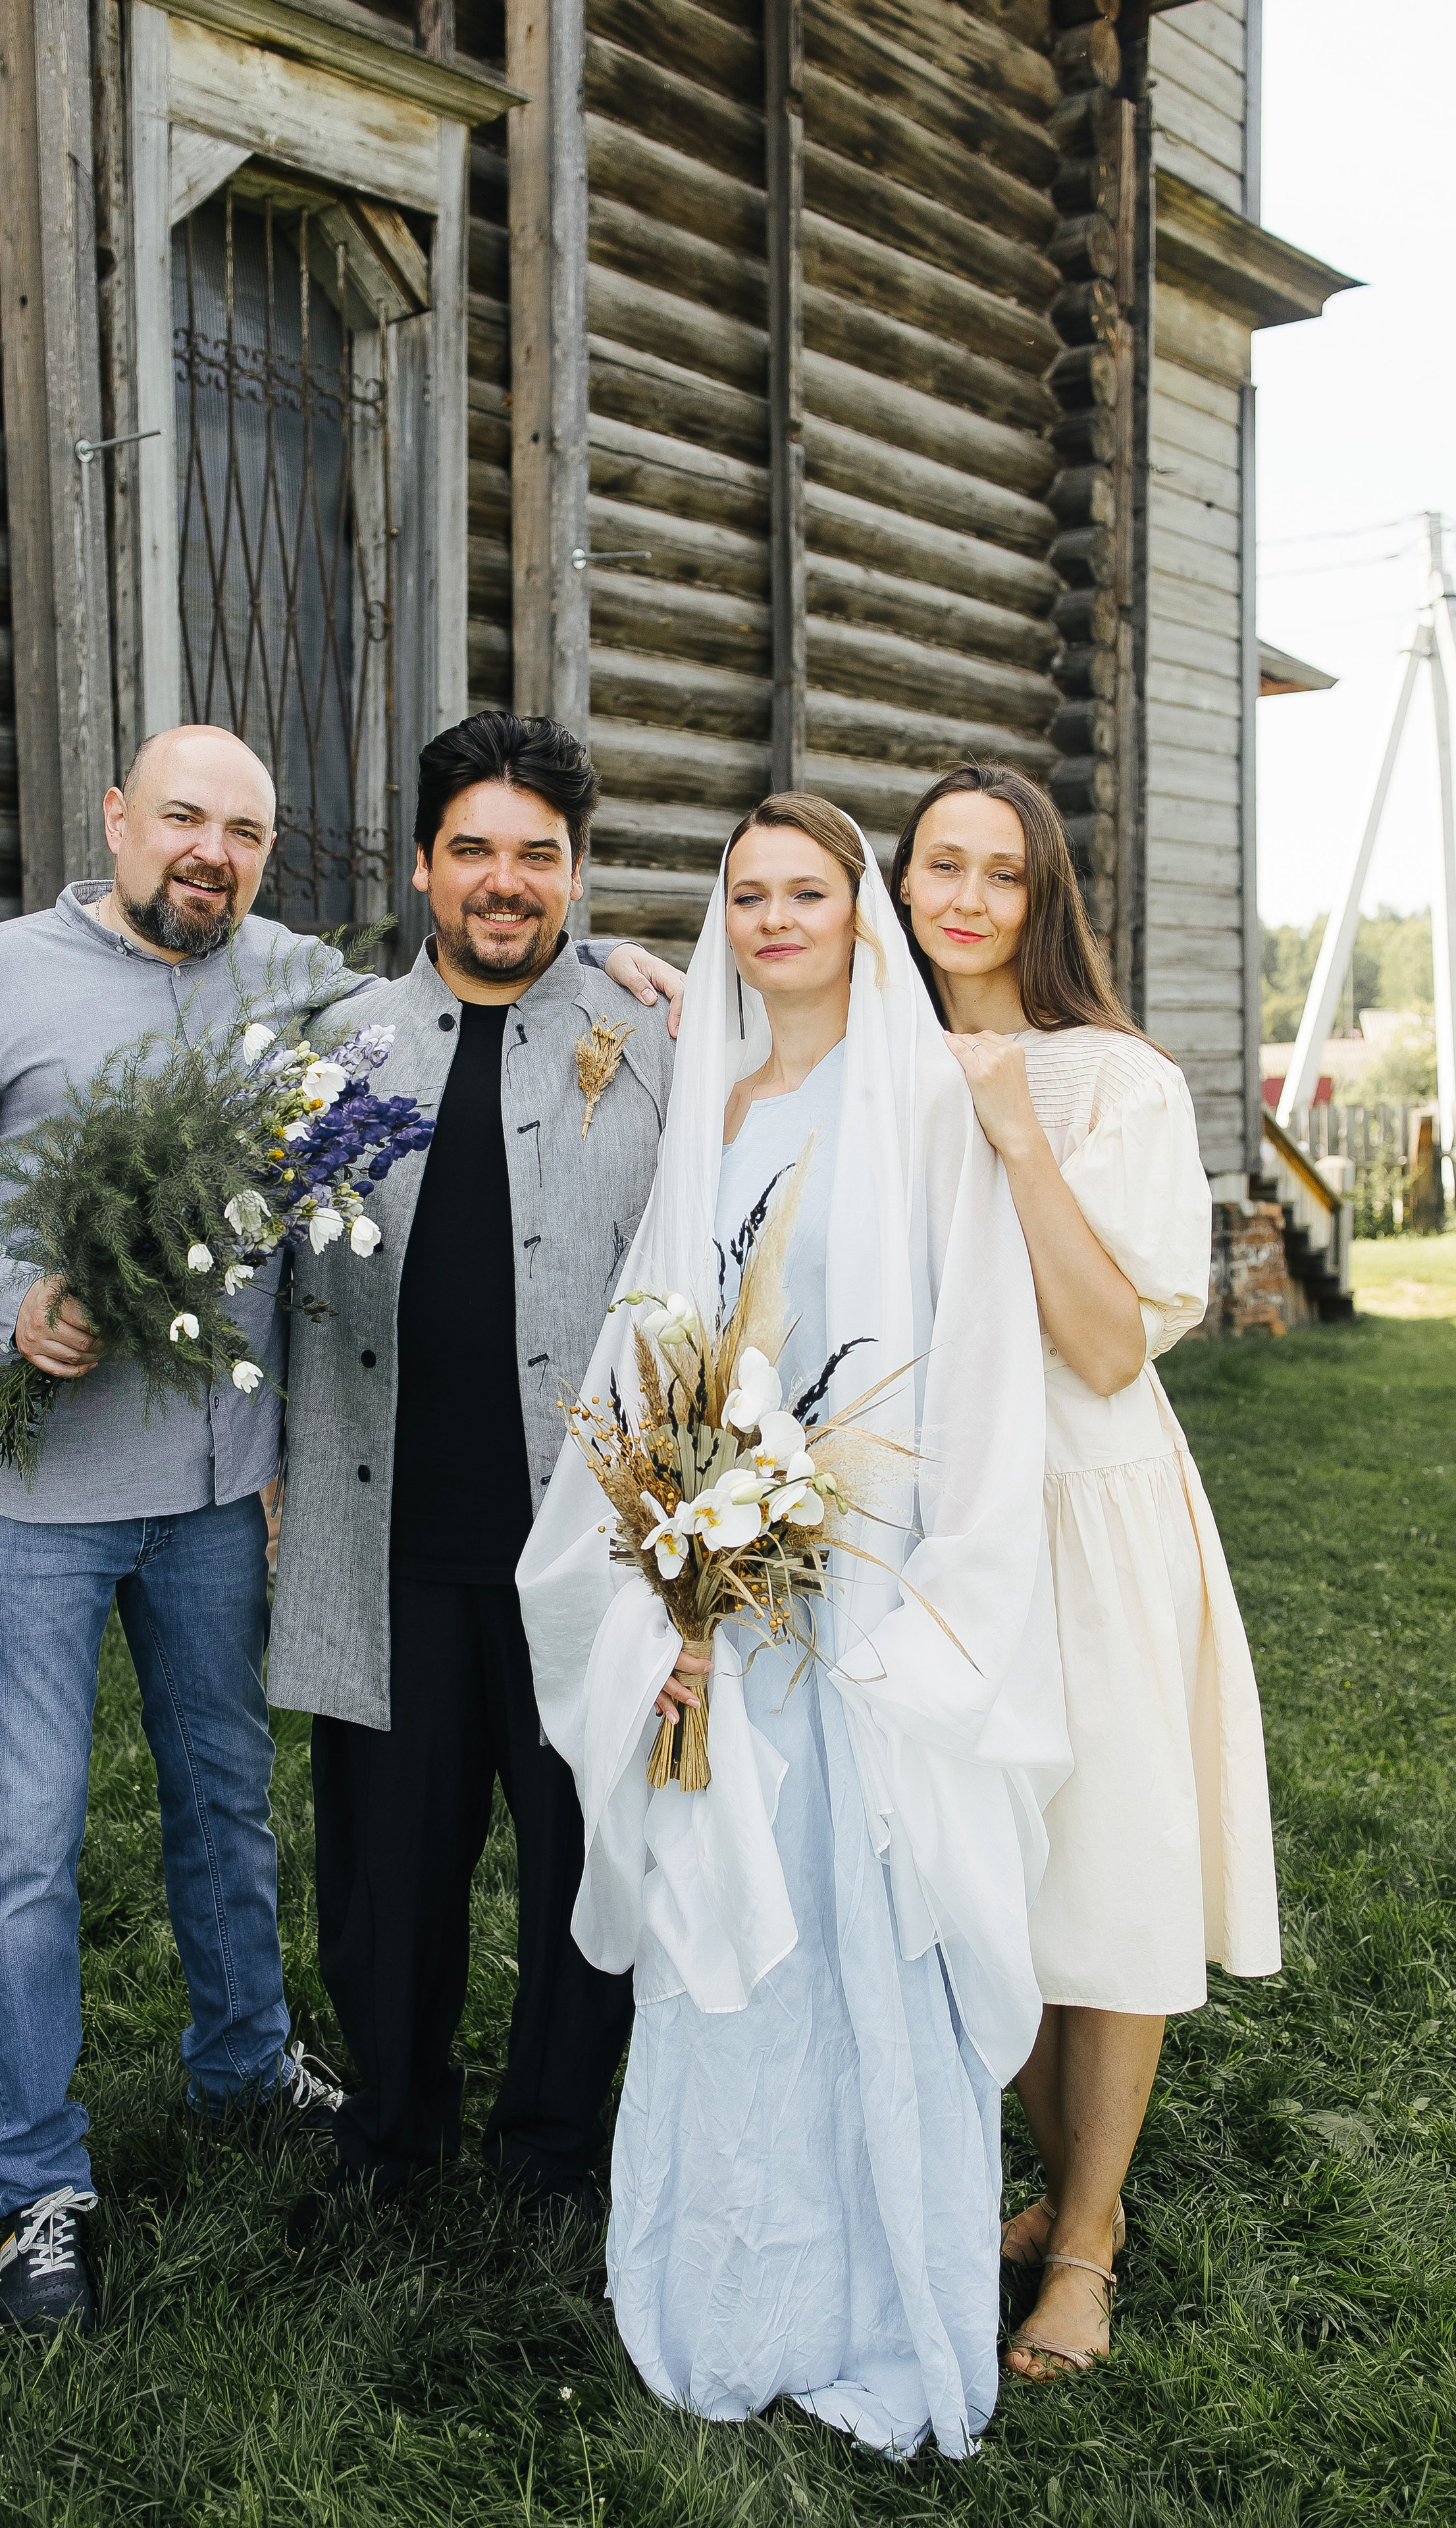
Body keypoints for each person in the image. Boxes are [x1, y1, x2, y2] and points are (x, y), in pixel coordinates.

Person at [0, 722, 677, 2336]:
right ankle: (39, 2177)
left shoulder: (289, 983)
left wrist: (633, 961)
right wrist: (8, 1299)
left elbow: (506, 950)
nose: (205, 852)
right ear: (114, 818)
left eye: (240, 829)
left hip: (221, 1501)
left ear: (271, 857)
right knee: (29, 1849)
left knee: (232, 1823)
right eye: (178, 819)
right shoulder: (0, 981)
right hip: (41, 1502)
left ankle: (251, 2070)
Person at [517, 795, 1072, 2460]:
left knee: (861, 1926)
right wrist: (663, 1577)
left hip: (871, 1588)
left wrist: (927, 1594)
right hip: (726, 1598)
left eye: (804, 892)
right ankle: (732, 2292)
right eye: (745, 895)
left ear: (860, 911)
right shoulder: (718, 1090)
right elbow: (659, 1337)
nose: (771, 919)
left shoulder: (916, 1100)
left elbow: (970, 1346)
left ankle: (880, 2303)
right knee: (730, 1942)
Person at [267, 710, 682, 2230]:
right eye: (474, 851)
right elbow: (287, 1271)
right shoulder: (340, 1046)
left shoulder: (652, 1045)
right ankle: (388, 2136)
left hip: (586, 1545)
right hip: (388, 1536)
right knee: (387, 1871)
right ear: (425, 864)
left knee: (586, 1855)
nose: (503, 883)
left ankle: (553, 2149)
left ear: (575, 872)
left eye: (537, 855)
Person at [893, 760, 1281, 2381]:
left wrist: (1012, 1135)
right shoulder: (865, 1063)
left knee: (1104, 1875)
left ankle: (1087, 2237)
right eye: (939, 866)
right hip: (935, 1520)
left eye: (1001, 872)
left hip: (1089, 1507)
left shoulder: (1110, 1077)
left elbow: (1110, 1346)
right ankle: (1023, 2192)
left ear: (1041, 900)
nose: (966, 897)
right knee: (986, 1873)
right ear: (897, 886)